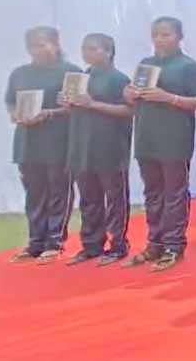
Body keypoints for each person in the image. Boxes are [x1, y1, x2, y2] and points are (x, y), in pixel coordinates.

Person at [122, 17, 196, 272]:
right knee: (152, 193)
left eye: (166, 34)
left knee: (174, 193)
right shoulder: (146, 64)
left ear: (179, 37)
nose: (160, 40)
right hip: (146, 136)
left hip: (174, 138)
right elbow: (132, 98)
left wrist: (168, 97)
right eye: (156, 35)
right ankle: (155, 243)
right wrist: (128, 94)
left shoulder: (189, 67)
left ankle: (174, 245)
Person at [5, 26, 81, 264]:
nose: (37, 50)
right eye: (32, 46)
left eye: (42, 44)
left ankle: (54, 242)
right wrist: (15, 114)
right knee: (34, 194)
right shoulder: (19, 73)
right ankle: (35, 242)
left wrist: (48, 113)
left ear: (55, 44)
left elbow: (78, 108)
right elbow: (10, 102)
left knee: (59, 191)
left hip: (59, 142)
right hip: (28, 143)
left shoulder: (71, 72)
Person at [62, 33, 134, 267]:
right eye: (85, 48)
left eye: (94, 48)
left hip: (110, 148)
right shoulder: (80, 78)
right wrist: (67, 103)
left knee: (114, 199)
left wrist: (93, 104)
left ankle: (118, 245)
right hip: (82, 147)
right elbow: (75, 110)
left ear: (109, 51)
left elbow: (129, 110)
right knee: (88, 199)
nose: (87, 53)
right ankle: (91, 245)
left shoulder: (119, 79)